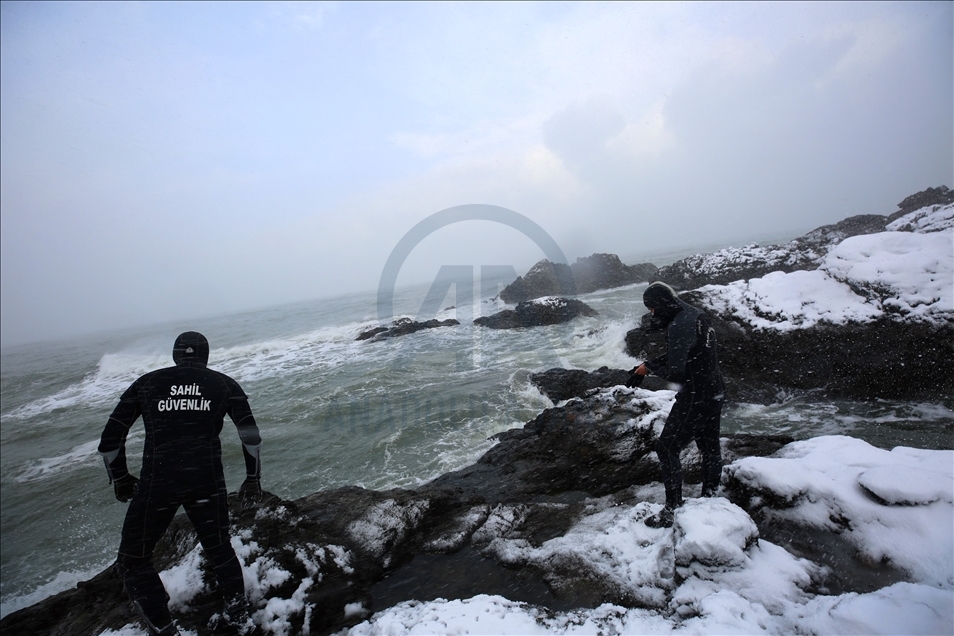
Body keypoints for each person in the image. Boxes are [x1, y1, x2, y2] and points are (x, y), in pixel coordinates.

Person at [99, 331, 263, 636]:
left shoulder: (147, 383)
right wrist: (252, 479)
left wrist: (120, 478)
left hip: (159, 480)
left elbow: (110, 442)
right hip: (206, 479)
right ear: (206, 355)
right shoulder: (224, 384)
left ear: (176, 355)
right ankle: (239, 617)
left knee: (133, 560)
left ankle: (164, 628)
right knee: (219, 548)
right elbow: (250, 436)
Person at [631, 282, 725, 528]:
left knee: (666, 448)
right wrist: (647, 366)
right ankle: (711, 497)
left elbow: (676, 371)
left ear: (661, 304)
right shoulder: (696, 315)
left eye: (652, 309)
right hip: (715, 391)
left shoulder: (678, 325)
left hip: (695, 395)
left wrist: (653, 369)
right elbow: (688, 353)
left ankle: (672, 509)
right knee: (709, 446)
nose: (652, 314)